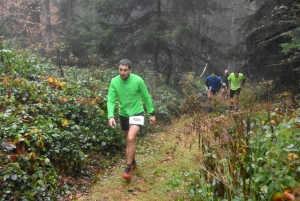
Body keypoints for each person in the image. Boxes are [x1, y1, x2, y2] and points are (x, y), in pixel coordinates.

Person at [107, 59, 156, 180]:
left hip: (137, 113)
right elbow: (111, 100)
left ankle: (128, 169)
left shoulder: (138, 80)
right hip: (123, 114)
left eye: (125, 70)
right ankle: (133, 162)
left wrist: (151, 113)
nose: (122, 72)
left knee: (130, 138)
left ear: (130, 70)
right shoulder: (114, 81)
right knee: (128, 140)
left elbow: (146, 96)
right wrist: (111, 116)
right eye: (120, 70)